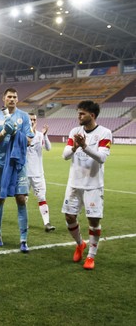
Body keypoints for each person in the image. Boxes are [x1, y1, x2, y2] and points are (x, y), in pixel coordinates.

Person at [61, 101, 112, 270]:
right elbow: (65, 156)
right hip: (74, 183)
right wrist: (75, 147)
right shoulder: (75, 131)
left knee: (94, 220)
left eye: (82, 114)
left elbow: (102, 157)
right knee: (69, 217)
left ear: (92, 115)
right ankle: (79, 244)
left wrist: (85, 146)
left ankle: (91, 256)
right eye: (78, 113)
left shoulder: (105, 133)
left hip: (93, 185)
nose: (79, 116)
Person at [0, 88, 34, 252]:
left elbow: (29, 140)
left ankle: (23, 239)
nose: (12, 99)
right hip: (1, 163)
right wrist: (4, 132)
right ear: (4, 99)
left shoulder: (24, 116)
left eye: (15, 96)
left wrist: (16, 133)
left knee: (21, 199)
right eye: (9, 97)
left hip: (18, 164)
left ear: (17, 98)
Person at [27, 112, 55, 232]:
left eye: (34, 120)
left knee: (42, 197)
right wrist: (32, 132)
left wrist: (45, 135)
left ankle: (47, 223)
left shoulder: (40, 135)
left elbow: (48, 148)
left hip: (38, 173)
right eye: (30, 120)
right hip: (24, 174)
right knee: (23, 199)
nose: (33, 122)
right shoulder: (22, 135)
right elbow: (26, 144)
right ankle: (24, 222)